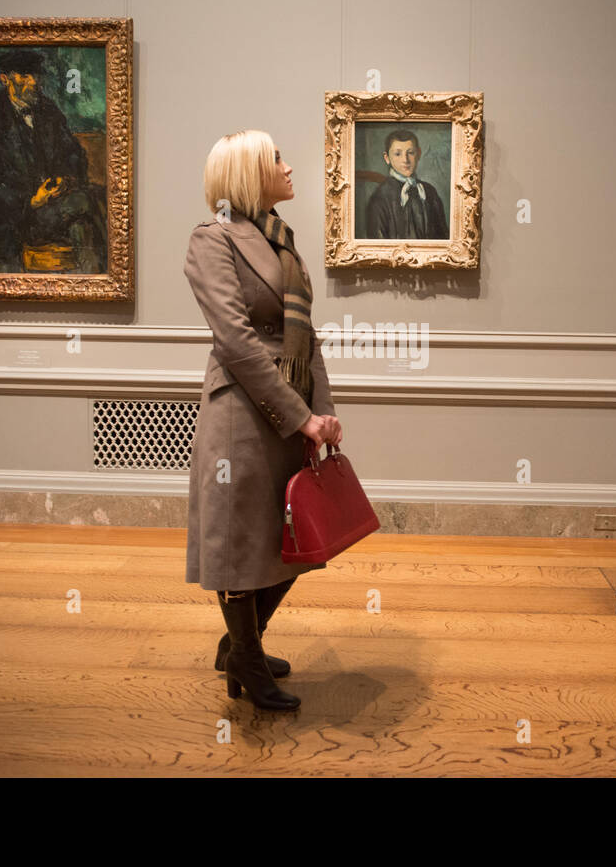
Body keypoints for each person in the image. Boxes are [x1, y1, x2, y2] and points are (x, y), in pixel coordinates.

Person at [183, 129, 342, 711]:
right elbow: (236, 340)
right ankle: (246, 657)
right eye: (277, 158)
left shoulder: (281, 239)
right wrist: (301, 417)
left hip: (292, 406)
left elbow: (305, 335)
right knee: (240, 539)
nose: (288, 165)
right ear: (250, 170)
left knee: (293, 536)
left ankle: (238, 645)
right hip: (244, 412)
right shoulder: (212, 240)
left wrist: (323, 411)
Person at [0, 49, 107, 274]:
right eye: (24, 76)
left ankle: (96, 285)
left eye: (35, 75)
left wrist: (64, 179)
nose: (33, 82)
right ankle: (101, 282)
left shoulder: (48, 111)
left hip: (52, 210)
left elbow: (74, 154)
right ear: (5, 79)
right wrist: (30, 200)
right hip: (13, 220)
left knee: (88, 208)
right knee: (86, 203)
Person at [364, 129, 449, 240]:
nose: (405, 160)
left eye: (410, 153)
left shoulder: (429, 192)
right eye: (397, 154)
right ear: (387, 158)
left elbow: (443, 236)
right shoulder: (380, 198)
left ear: (418, 154)